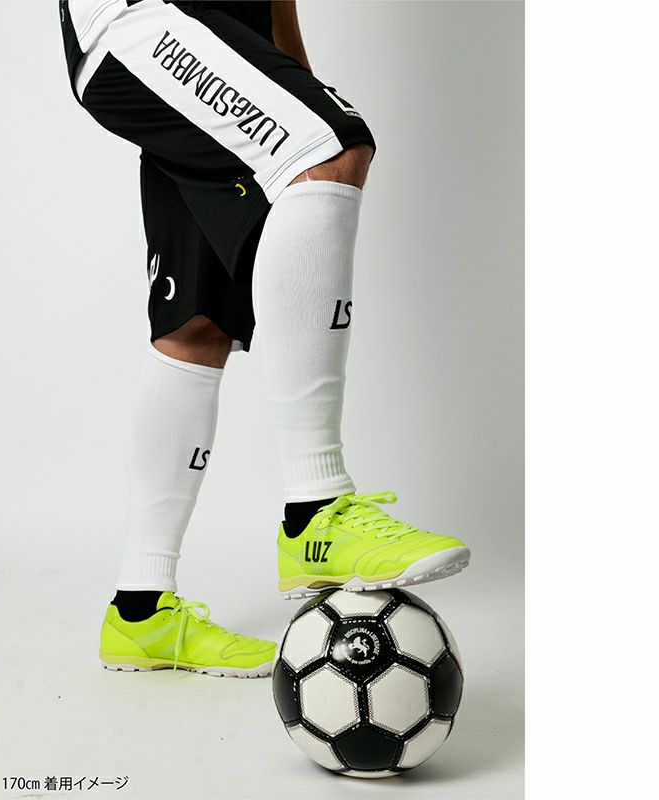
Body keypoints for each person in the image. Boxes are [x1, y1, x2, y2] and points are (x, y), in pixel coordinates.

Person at [59, 0, 470, 678]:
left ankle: (140, 611)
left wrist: (287, 77)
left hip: (203, 31)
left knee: (198, 322)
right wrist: (305, 126)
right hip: (142, 15)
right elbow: (320, 146)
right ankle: (317, 510)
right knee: (329, 148)